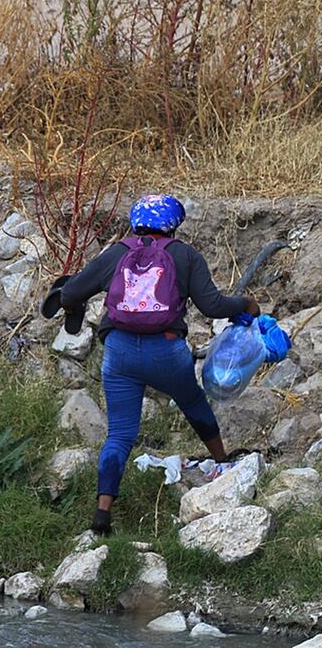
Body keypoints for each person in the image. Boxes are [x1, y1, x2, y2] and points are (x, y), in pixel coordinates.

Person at [58, 194, 260, 536]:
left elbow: (71, 292)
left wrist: (67, 303)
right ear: (174, 224)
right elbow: (212, 306)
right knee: (193, 402)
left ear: (135, 220)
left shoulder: (117, 253)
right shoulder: (185, 255)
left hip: (119, 352)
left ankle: (102, 513)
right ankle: (222, 462)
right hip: (166, 351)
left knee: (120, 434)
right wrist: (246, 303)